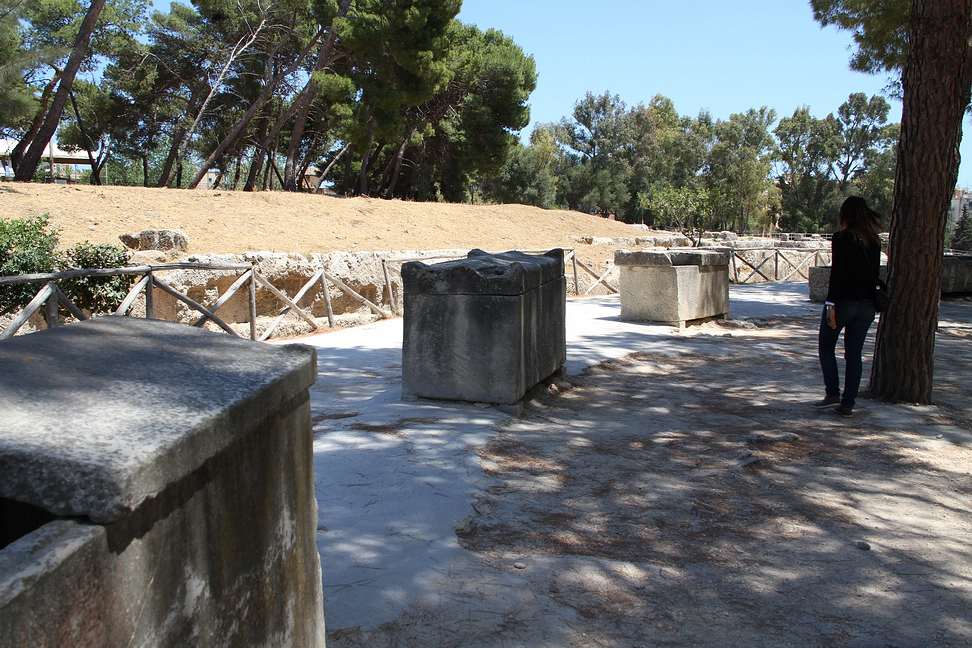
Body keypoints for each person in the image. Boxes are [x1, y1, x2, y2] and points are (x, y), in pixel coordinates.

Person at [815, 196, 883, 417]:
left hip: (844, 302)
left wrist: (830, 304)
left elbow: (838, 273)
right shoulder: (874, 241)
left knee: (826, 345)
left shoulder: (841, 238)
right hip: (867, 305)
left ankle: (832, 392)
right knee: (854, 354)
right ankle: (848, 404)